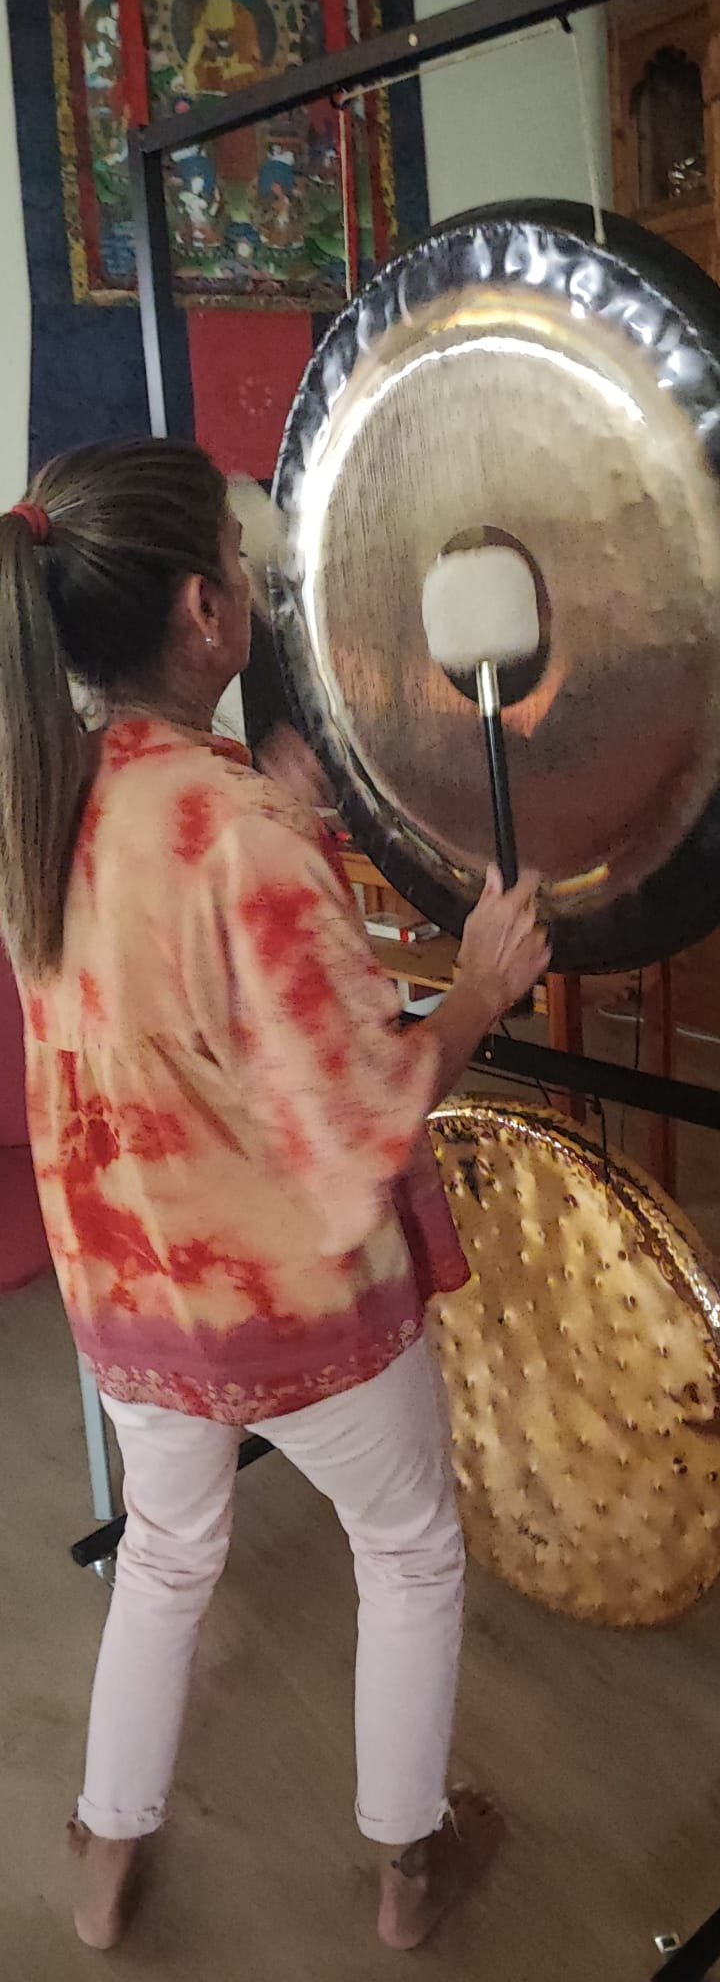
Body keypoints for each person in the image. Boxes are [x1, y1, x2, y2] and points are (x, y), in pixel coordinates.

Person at [0, 442, 549, 1954]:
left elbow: (170, 993)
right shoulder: (237, 835)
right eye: (239, 574)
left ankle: (105, 1854)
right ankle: (404, 1867)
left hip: (130, 1300)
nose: (248, 592)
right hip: (291, 1302)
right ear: (203, 610)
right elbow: (364, 1106)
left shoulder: (46, 801)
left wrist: (285, 809)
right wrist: (484, 994)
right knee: (410, 1549)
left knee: (170, 1559)